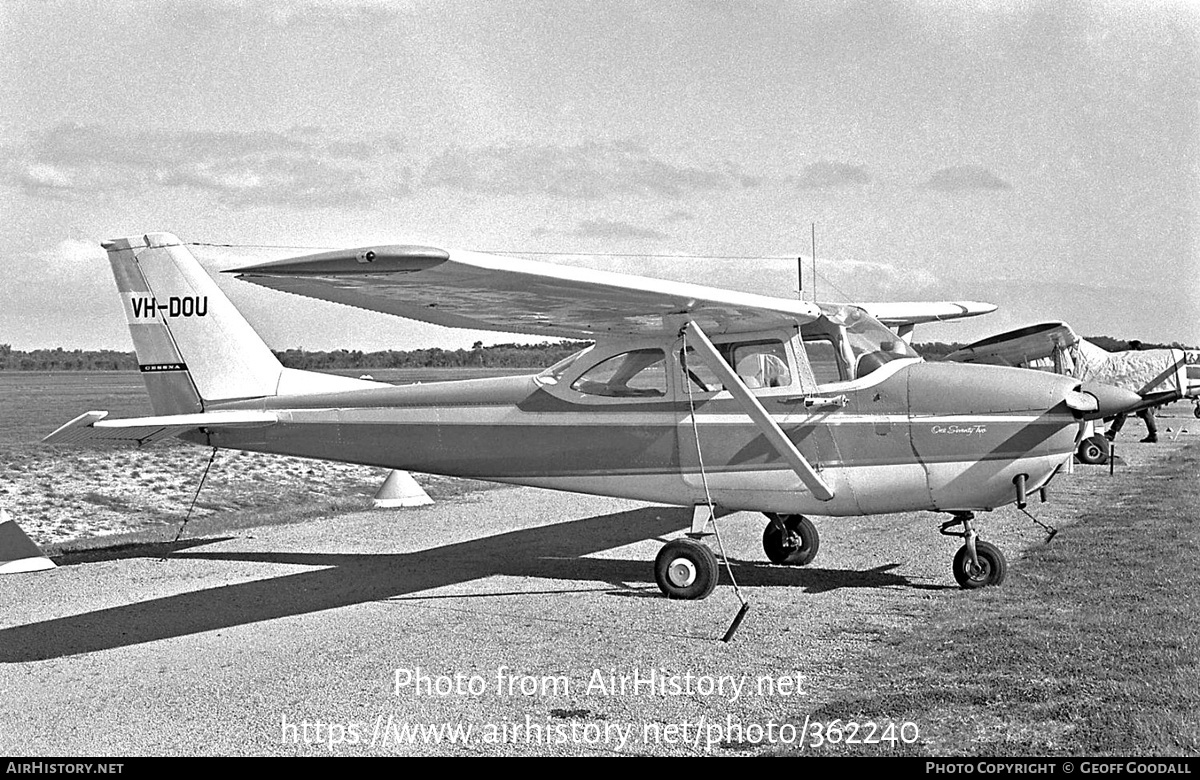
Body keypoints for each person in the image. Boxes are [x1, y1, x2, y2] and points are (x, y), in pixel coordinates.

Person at [1103, 340, 1158, 443]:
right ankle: (1153, 434)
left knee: (1124, 409)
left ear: (1134, 349)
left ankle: (1112, 432)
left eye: (1131, 347)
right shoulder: (1143, 360)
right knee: (1145, 411)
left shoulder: (1134, 359)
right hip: (1143, 389)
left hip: (1136, 388)